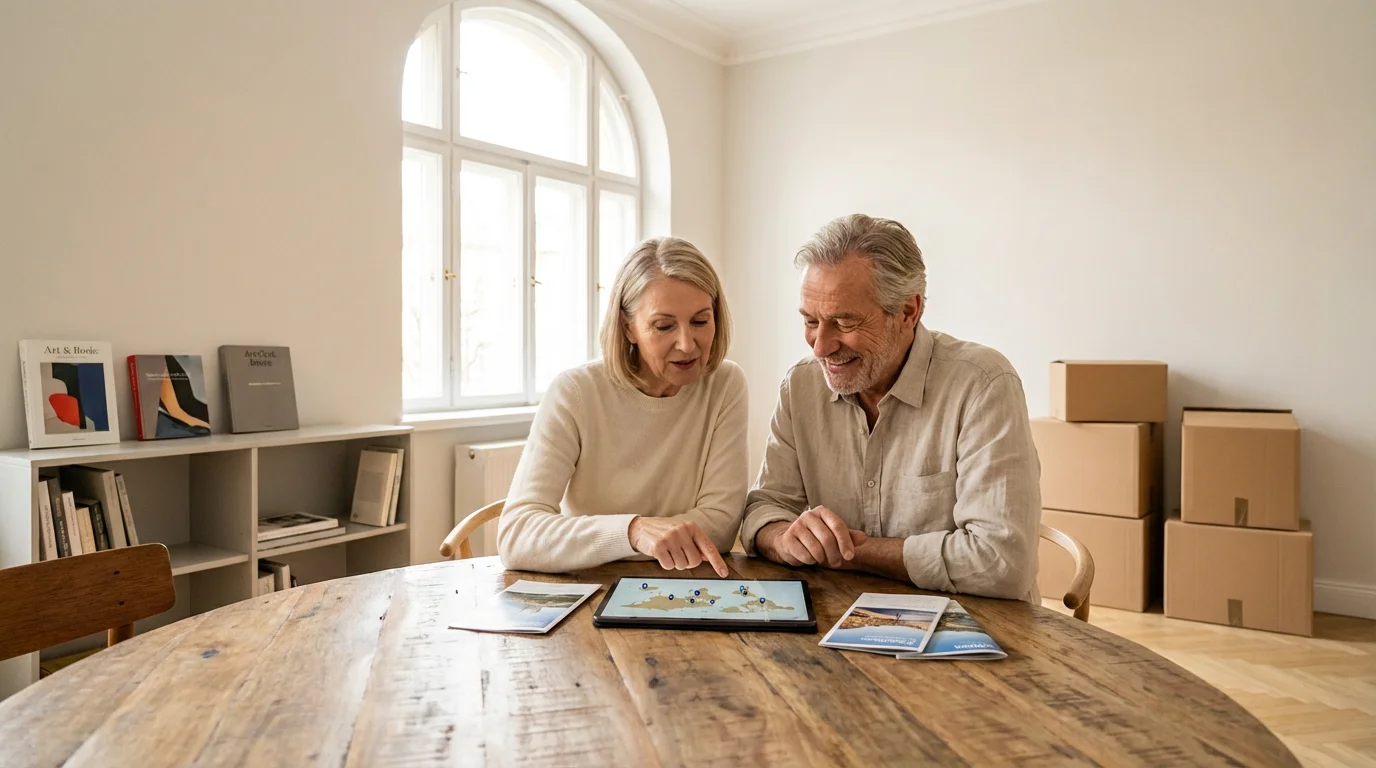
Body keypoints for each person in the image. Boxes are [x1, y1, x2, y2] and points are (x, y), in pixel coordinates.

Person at [739, 214, 1041, 601]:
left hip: (978, 629)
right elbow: (764, 508)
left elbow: (1001, 564)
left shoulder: (983, 384)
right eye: (811, 321)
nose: (820, 347)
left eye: (844, 322)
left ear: (908, 312)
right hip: (839, 619)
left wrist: (851, 553)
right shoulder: (801, 385)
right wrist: (783, 538)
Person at [497, 236, 747, 578]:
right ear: (628, 327)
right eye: (664, 326)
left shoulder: (725, 384)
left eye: (701, 321)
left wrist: (600, 541)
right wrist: (632, 532)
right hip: (588, 590)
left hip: (685, 586)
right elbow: (517, 536)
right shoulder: (575, 392)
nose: (688, 344)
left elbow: (720, 525)